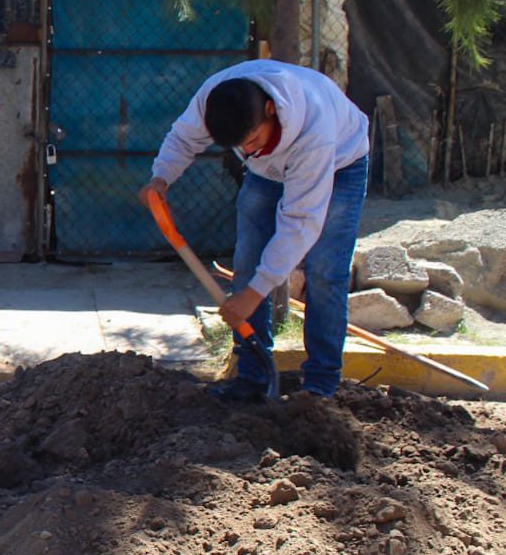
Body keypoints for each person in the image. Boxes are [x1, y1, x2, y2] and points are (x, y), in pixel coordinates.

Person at [140, 59, 370, 401]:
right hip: (268, 172)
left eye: (253, 139)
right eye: (240, 146)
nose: (248, 151)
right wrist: (161, 178)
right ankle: (252, 377)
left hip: (339, 165)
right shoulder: (217, 97)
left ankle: (319, 388)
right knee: (247, 260)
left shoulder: (313, 133)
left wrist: (253, 294)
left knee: (324, 272)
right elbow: (183, 138)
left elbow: (300, 224)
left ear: (270, 109)